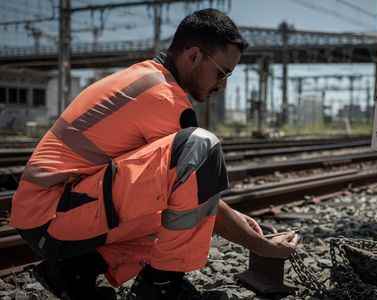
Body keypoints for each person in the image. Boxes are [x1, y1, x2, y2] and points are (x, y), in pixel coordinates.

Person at [10, 8, 299, 300]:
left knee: (179, 208)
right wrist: (261, 246)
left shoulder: (147, 78)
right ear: (194, 56)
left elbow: (193, 196)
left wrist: (233, 216)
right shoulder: (162, 97)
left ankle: (73, 270)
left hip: (47, 212)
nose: (222, 86)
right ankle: (162, 285)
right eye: (222, 73)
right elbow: (197, 186)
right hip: (53, 213)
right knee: (201, 147)